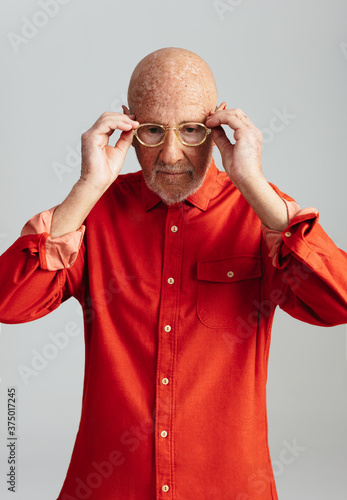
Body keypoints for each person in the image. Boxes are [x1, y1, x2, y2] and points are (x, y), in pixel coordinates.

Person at [0, 47, 346, 500]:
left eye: (191, 130)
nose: (171, 153)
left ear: (218, 126)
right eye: (152, 130)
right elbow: (10, 304)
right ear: (127, 127)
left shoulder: (261, 213)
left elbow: (337, 304)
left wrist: (254, 184)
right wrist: (85, 189)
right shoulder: (94, 214)